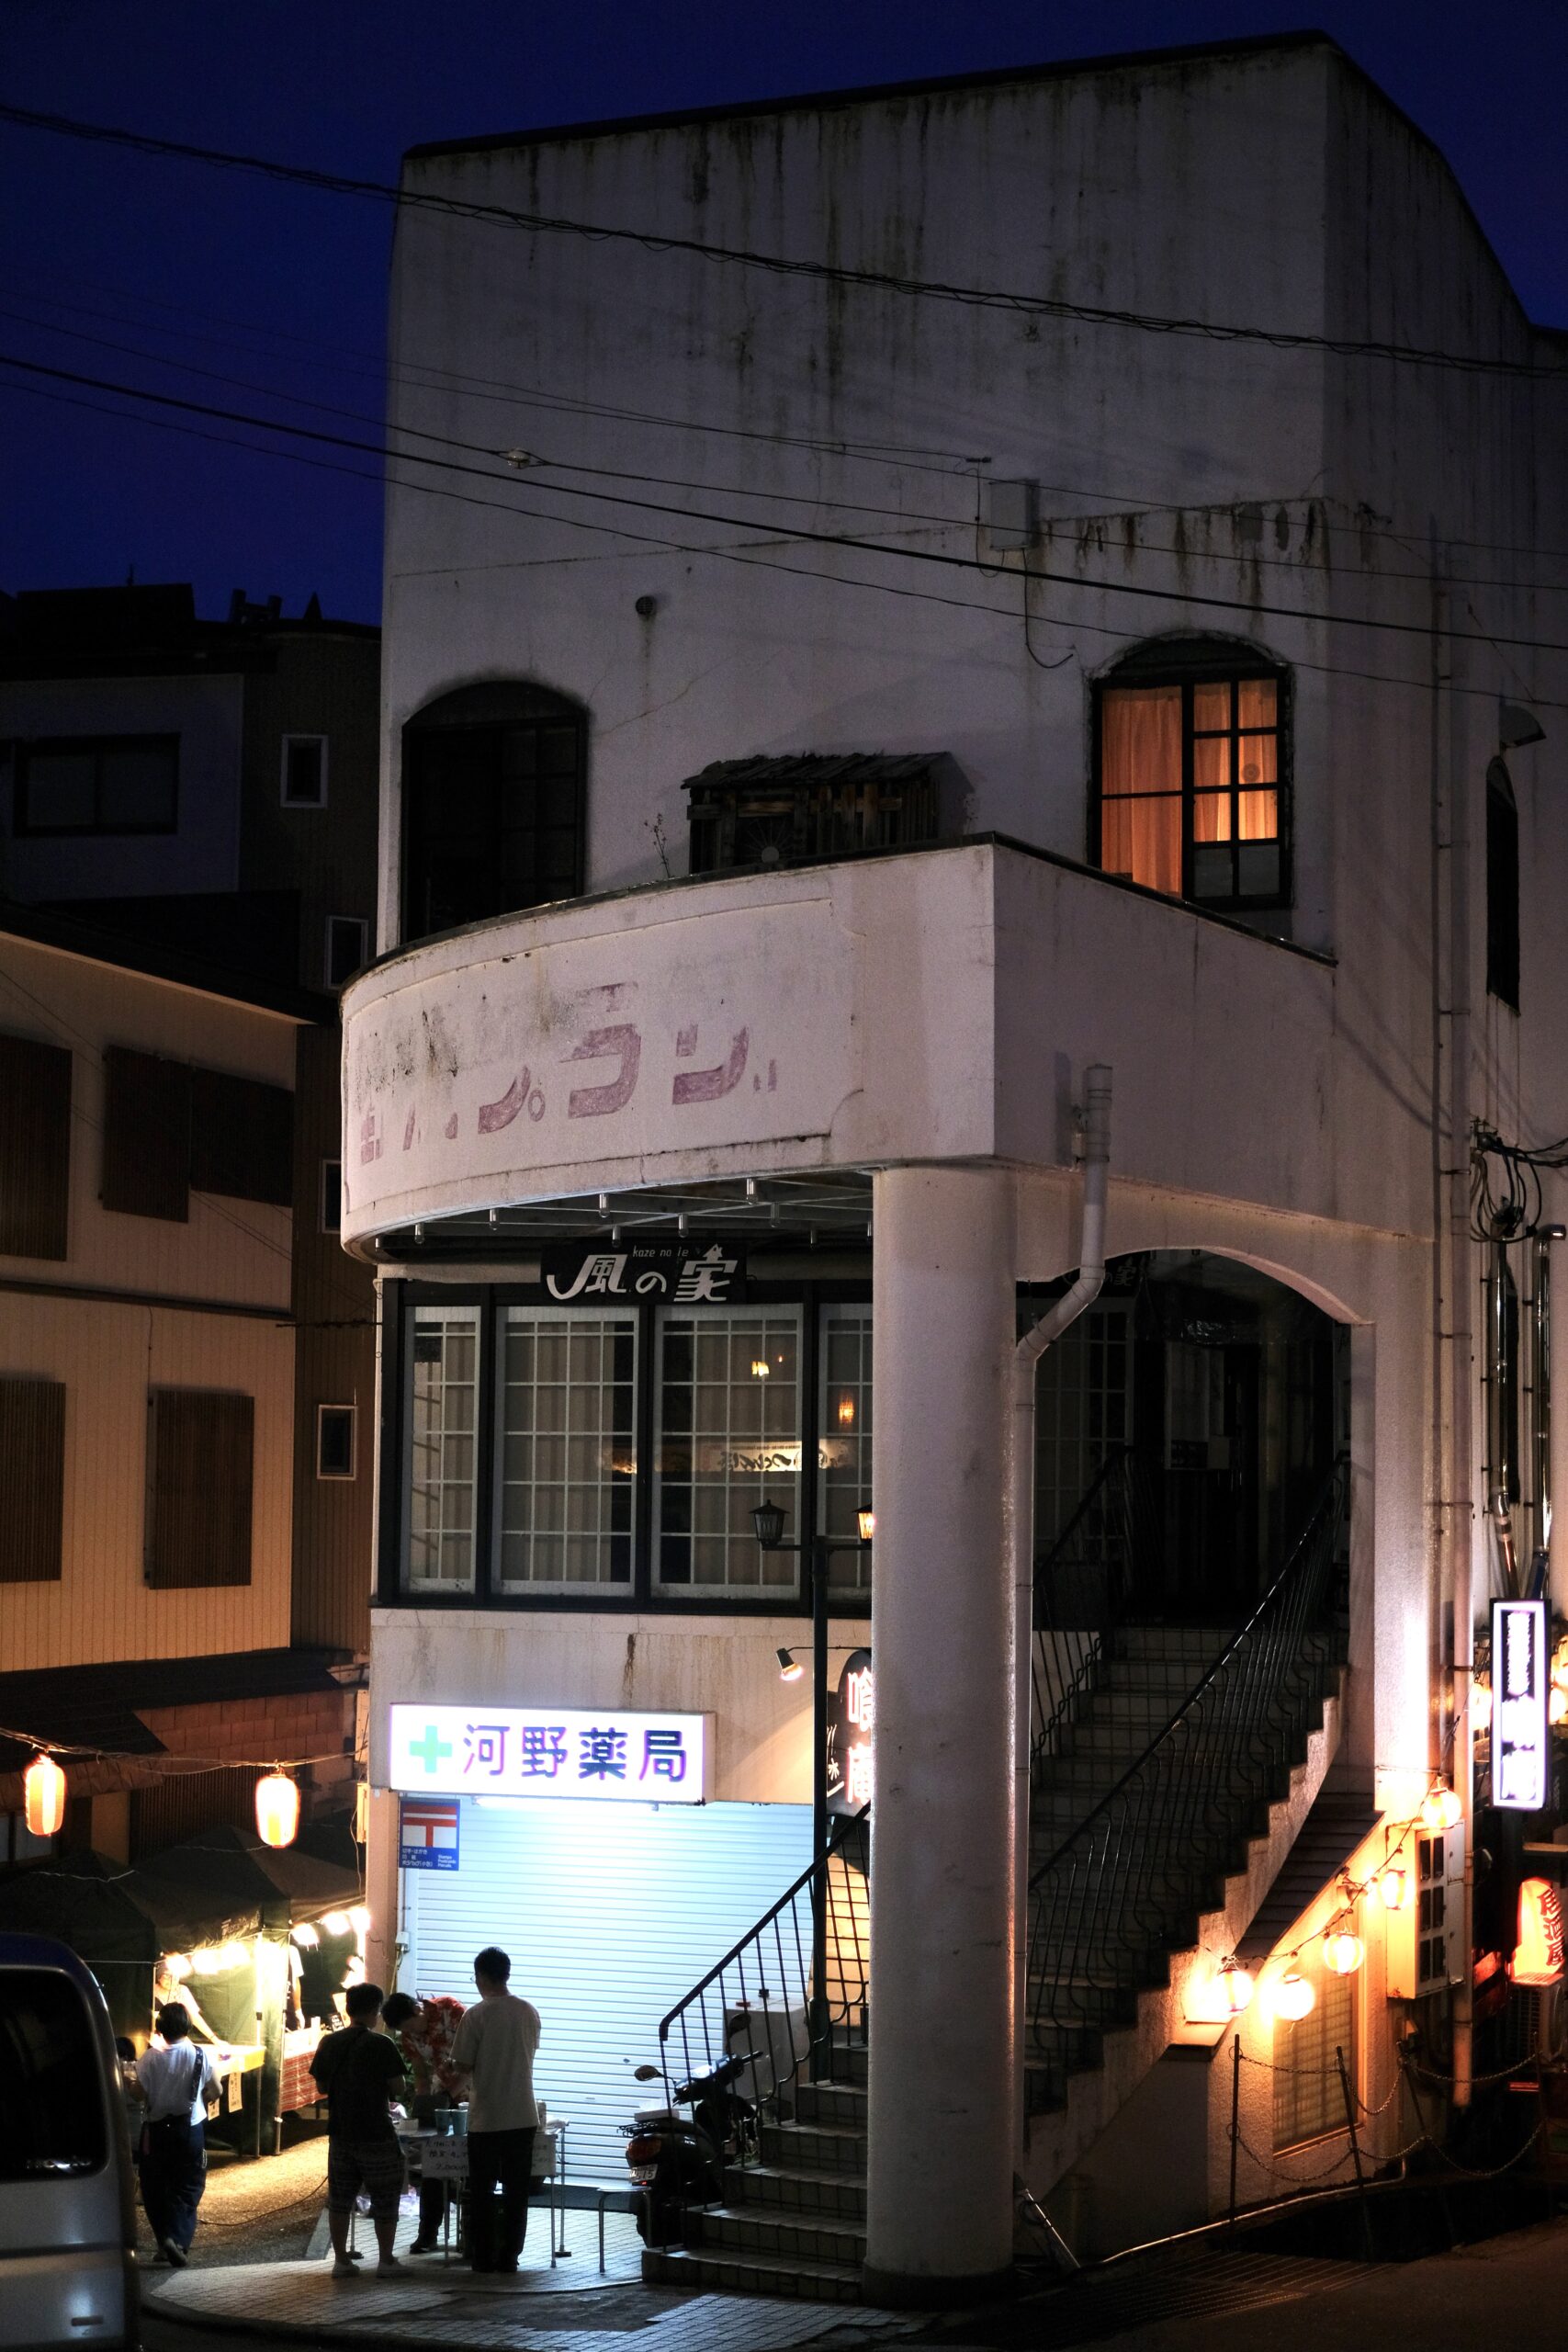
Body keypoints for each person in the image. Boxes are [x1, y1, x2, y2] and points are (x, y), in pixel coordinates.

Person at [310, 1981, 412, 2277]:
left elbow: (321, 2085)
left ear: (348, 2008)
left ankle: (341, 2261)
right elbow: (399, 2087)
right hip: (376, 2133)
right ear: (376, 2010)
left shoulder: (329, 2043)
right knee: (385, 2197)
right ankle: (386, 2261)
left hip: (341, 2133)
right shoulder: (381, 2044)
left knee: (340, 2198)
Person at [449, 1948, 540, 2275]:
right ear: (507, 1974)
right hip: (523, 2116)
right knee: (517, 2192)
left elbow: (462, 2063)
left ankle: (483, 2258)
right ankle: (510, 2258)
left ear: (481, 1977)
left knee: (482, 2191)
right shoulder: (528, 2011)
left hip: (486, 2118)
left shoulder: (476, 2015)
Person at [381, 1991, 468, 2255]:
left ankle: (470, 2235)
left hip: (472, 2093)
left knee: (470, 2166)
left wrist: (448, 2097)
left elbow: (473, 2058)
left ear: (418, 2010)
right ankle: (428, 2233)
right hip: (440, 2096)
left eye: (409, 2027)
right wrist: (423, 2106)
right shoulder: (408, 2036)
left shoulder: (450, 2010)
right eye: (403, 2031)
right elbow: (420, 2073)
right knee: (435, 2164)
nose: (409, 2034)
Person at [135, 2003, 218, 2268]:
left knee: (155, 2187)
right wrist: (200, 2100)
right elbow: (216, 2090)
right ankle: (177, 2239)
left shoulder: (149, 2058)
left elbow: (138, 2094)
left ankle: (163, 2242)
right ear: (187, 2025)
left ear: (160, 2028)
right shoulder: (199, 2055)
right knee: (189, 2185)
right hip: (189, 2129)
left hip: (155, 2130)